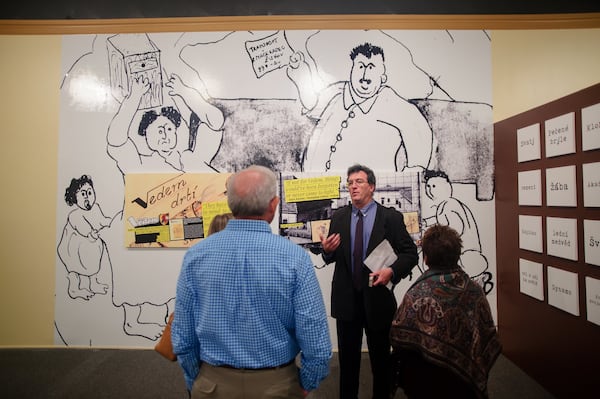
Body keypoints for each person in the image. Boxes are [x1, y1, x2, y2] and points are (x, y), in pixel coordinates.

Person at [172, 165, 332, 398]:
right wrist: (308, 382)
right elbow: (315, 336)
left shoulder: (196, 256)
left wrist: (197, 378)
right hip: (278, 385)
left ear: (230, 204)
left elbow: (183, 335)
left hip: (212, 385)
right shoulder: (295, 258)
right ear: (273, 205)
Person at [320, 164, 418, 399]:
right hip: (346, 302)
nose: (353, 186)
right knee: (348, 365)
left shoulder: (391, 218)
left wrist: (391, 272)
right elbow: (331, 256)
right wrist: (326, 251)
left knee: (381, 364)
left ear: (371, 187)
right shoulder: (340, 216)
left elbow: (410, 254)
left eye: (359, 182)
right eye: (350, 182)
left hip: (378, 300)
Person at [389, 224, 501, 399]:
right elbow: (487, 336)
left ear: (425, 258)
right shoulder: (475, 292)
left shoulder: (416, 295)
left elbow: (399, 341)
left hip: (423, 382)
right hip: (464, 384)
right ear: (458, 254)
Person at [287, 42, 434, 173]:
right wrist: (300, 72)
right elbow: (312, 105)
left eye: (371, 67)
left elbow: (420, 134)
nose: (364, 75)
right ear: (351, 70)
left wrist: (411, 178)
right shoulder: (337, 92)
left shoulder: (392, 103)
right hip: (314, 189)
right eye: (361, 66)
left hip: (362, 196)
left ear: (383, 78)